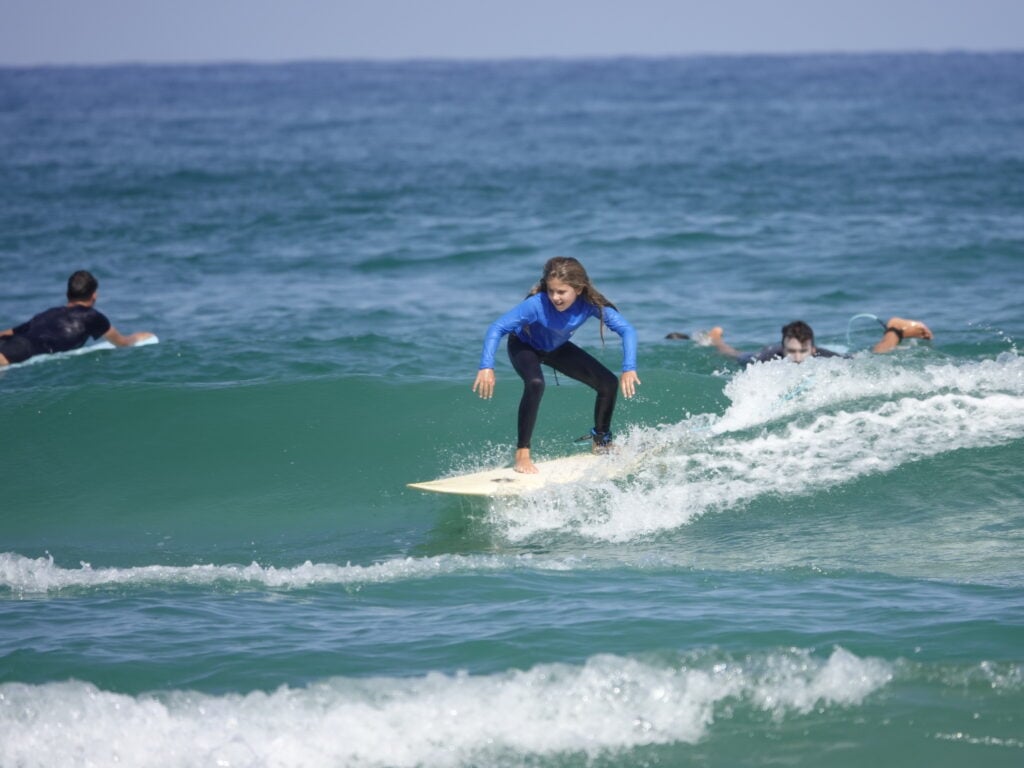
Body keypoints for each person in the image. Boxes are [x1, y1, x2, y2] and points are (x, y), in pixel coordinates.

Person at [472, 257, 640, 474]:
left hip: (555, 347)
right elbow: (497, 328)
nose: (555, 297)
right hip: (524, 345)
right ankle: (522, 453)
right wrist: (486, 366)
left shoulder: (589, 305)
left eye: (561, 292)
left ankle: (602, 441)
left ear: (578, 289)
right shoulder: (536, 304)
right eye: (551, 291)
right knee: (535, 383)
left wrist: (629, 368)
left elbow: (627, 330)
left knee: (608, 383)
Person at [0, 270, 155, 367]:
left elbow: (11, 331)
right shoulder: (93, 317)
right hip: (21, 350)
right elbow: (122, 343)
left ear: (68, 294)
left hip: (11, 343)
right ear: (94, 295)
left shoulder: (49, 313)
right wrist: (139, 337)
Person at [700, 317, 933, 364]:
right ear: (784, 348)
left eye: (803, 351)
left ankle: (895, 329)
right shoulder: (769, 358)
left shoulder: (821, 356)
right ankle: (715, 337)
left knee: (872, 357)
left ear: (811, 348)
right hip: (762, 354)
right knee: (732, 355)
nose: (798, 358)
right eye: (792, 351)